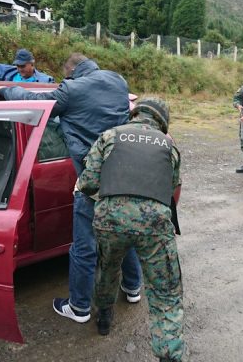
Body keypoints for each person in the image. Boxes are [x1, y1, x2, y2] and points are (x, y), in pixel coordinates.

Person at [0, 53, 142, 323]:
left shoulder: (71, 89)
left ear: (72, 72)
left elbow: (34, 103)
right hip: (125, 174)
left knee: (84, 245)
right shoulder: (117, 80)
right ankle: (133, 288)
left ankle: (79, 307)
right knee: (125, 232)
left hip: (92, 181)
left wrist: (6, 89)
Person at [76, 98, 184, 362]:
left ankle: (104, 318)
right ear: (162, 121)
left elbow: (88, 183)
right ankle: (168, 354)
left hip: (111, 218)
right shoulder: (169, 145)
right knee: (164, 292)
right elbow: (171, 186)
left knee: (108, 268)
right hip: (154, 224)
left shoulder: (110, 136)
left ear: (134, 115)